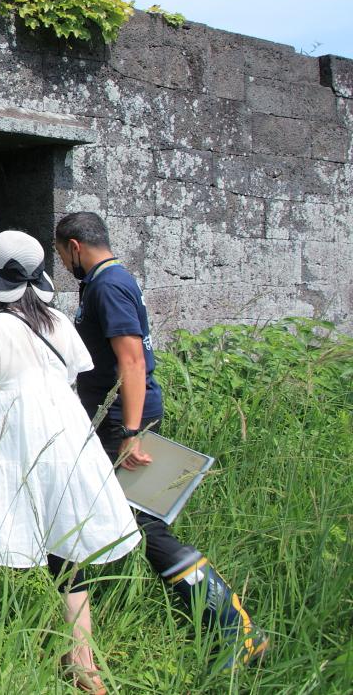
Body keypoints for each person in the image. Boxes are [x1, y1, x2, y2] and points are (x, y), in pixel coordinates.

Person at [53, 211, 269, 670]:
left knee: (144, 524)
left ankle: (235, 629)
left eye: (60, 253)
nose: (62, 261)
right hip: (117, 418)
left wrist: (131, 433)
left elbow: (131, 360)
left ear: (73, 246)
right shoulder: (109, 280)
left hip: (122, 423)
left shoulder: (108, 285)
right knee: (132, 521)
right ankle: (230, 627)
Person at [0, 230, 140, 695]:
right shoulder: (58, 322)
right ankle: (83, 660)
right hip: (65, 432)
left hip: (9, 435)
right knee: (63, 535)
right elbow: (71, 373)